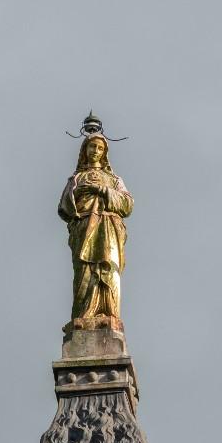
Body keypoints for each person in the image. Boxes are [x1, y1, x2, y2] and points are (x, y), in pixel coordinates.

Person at [58, 134, 133, 322]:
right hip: (83, 227)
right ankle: (83, 317)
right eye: (92, 147)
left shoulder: (114, 180)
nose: (96, 151)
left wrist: (102, 190)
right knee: (84, 272)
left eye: (100, 148)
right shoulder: (77, 178)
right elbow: (64, 207)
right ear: (85, 150)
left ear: (104, 153)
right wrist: (78, 193)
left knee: (108, 267)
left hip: (108, 227)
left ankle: (110, 315)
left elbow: (127, 204)